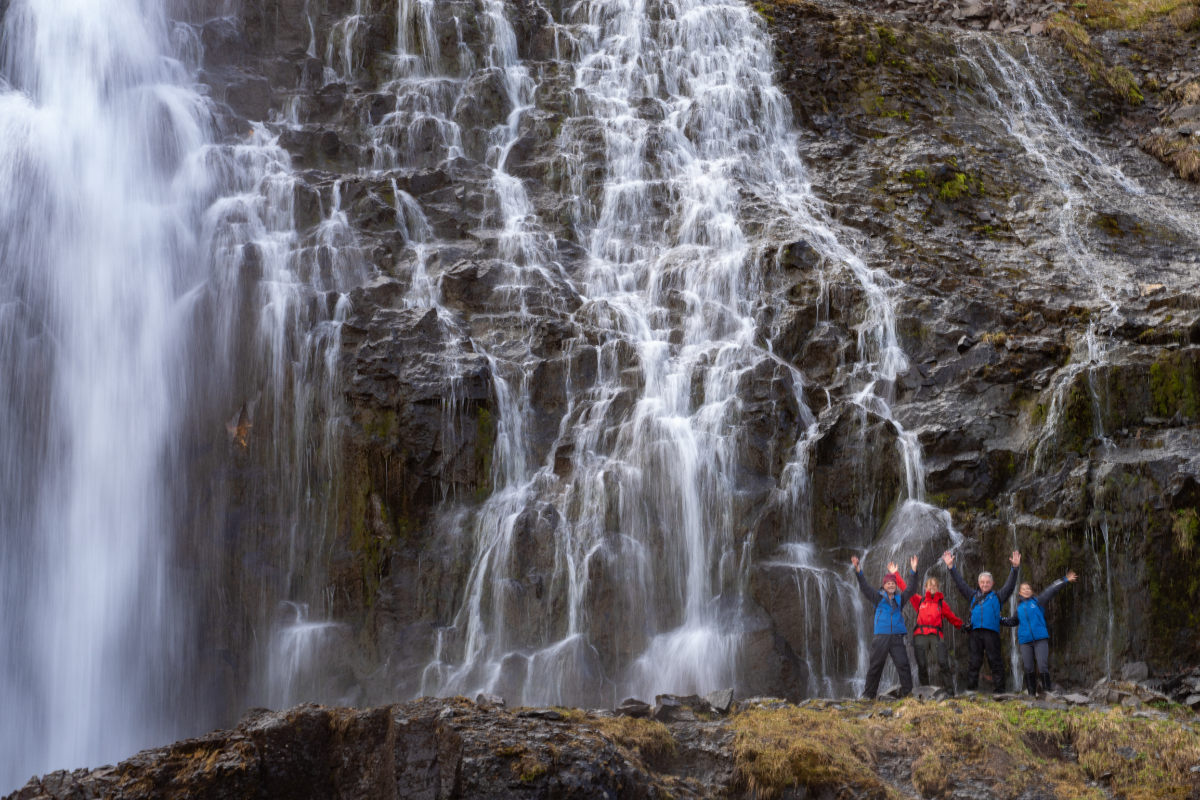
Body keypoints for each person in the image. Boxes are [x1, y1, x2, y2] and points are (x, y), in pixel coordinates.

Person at [942, 549, 1020, 693]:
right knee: (974, 662)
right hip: (975, 632)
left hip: (992, 632)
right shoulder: (972, 595)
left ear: (992, 583)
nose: (985, 584)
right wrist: (951, 567)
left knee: (995, 661)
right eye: (982, 582)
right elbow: (960, 584)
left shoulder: (998, 596)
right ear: (979, 583)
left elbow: (1010, 586)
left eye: (988, 582)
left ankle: (999, 691)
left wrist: (1015, 568)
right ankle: (971, 690)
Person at [1000, 571, 1078, 696]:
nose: (1026, 590)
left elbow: (1051, 589)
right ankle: (1031, 694)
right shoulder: (1019, 608)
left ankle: (1047, 692)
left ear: (1031, 591)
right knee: (1029, 668)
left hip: (1040, 639)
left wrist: (1065, 580)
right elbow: (1012, 621)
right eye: (1023, 589)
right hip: (1025, 641)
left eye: (1028, 588)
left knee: (1042, 666)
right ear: (1019, 593)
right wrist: (1000, 619)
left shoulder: (1038, 601)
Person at [853, 554, 919, 700]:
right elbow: (864, 587)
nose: (891, 585)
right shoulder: (877, 597)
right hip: (881, 637)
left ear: (895, 587)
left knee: (903, 665)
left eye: (893, 584)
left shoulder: (900, 599)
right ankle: (868, 695)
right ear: (884, 585)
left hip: (896, 637)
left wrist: (913, 571)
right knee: (875, 666)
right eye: (888, 583)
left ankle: (909, 696)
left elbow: (911, 589)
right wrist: (858, 570)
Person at [908, 575, 968, 693]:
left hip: (936, 635)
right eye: (929, 585)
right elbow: (907, 588)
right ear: (925, 588)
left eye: (934, 586)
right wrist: (898, 573)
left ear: (938, 588)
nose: (932, 587)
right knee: (922, 666)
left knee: (943, 663)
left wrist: (962, 626)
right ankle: (925, 693)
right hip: (920, 636)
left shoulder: (942, 604)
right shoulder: (919, 600)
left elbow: (952, 617)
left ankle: (950, 693)